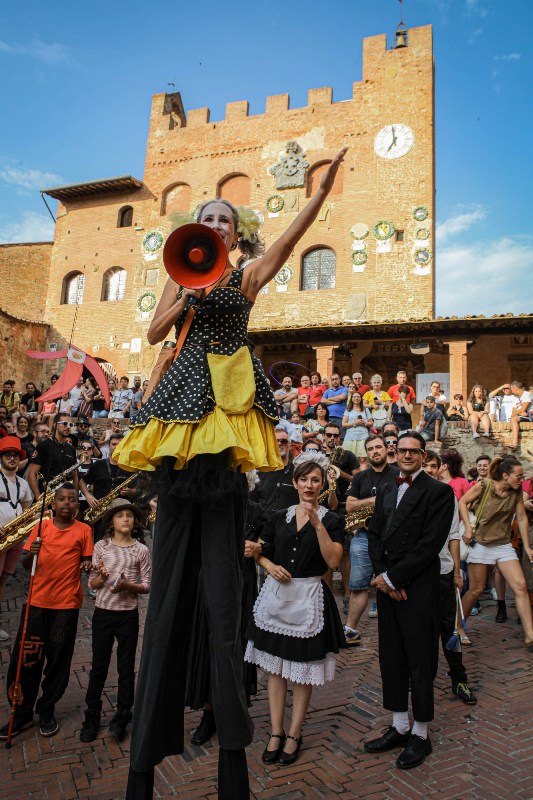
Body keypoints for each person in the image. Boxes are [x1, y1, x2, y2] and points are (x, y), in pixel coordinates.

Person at [112, 148, 347, 800]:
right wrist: (181, 296)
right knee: (167, 590)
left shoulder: (244, 274)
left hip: (228, 407)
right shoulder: (176, 272)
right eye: (206, 216)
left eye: (222, 218)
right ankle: (143, 762)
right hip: (179, 413)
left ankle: (231, 759)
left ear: (233, 232)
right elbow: (156, 329)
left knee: (223, 595)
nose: (213, 224)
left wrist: (319, 193)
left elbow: (291, 239)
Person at [245, 454, 345, 765]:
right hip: (277, 597)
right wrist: (269, 565)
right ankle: (276, 731)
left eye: (316, 480)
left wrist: (316, 522)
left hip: (310, 598)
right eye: (304, 479)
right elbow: (260, 552)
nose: (309, 485)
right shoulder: (279, 516)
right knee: (275, 669)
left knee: (301, 672)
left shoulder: (332, 520)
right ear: (296, 482)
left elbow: (333, 561)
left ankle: (294, 733)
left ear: (323, 483)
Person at [364, 431, 454, 769]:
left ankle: (420, 733)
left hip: (419, 588)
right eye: (400, 450)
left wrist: (394, 578)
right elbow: (374, 535)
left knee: (420, 658)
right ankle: (400, 726)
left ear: (422, 455)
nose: (406, 455)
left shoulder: (439, 492)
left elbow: (429, 545)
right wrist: (384, 579)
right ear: (394, 452)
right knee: (393, 656)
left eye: (413, 451)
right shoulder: (387, 488)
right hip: (390, 587)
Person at [0, 484, 93, 739]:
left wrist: (88, 565)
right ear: (52, 504)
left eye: (72, 500)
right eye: (61, 499)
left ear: (77, 505)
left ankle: (47, 708)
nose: (66, 503)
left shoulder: (84, 530)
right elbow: (28, 561)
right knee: (26, 658)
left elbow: (86, 559)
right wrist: (33, 553)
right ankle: (21, 713)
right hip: (37, 602)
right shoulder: (41, 527)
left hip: (66, 605)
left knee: (58, 660)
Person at [80, 499, 151, 743]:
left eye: (129, 515)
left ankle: (122, 715)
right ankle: (92, 715)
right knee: (98, 666)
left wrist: (127, 586)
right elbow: (92, 583)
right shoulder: (101, 546)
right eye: (120, 515)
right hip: (103, 613)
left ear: (134, 522)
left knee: (125, 669)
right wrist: (101, 578)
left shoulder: (141, 550)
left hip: (127, 615)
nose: (125, 519)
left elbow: (146, 585)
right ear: (112, 521)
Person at [458, 456, 533, 646]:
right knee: (475, 590)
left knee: (520, 586)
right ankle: (458, 626)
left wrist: (526, 546)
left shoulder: (515, 492)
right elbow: (462, 503)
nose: (521, 480)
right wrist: (467, 527)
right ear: (506, 475)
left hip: (503, 545)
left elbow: (522, 519)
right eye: (519, 476)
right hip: (481, 544)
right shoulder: (485, 486)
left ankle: (530, 634)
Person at [423, 451, 477, 705]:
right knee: (423, 634)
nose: (430, 471)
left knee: (450, 631)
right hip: (418, 575)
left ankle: (459, 679)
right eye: (426, 466)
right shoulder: (409, 495)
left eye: (434, 466)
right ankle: (423, 682)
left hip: (443, 570)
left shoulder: (447, 496)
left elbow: (454, 536)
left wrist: (457, 571)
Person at [345, 435, 399, 644]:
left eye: (379, 447)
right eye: (370, 449)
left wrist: (364, 503)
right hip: (364, 536)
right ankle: (350, 629)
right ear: (366, 454)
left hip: (392, 537)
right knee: (358, 584)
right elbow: (349, 506)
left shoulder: (398, 474)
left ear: (387, 449)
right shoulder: (360, 477)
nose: (375, 451)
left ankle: (397, 629)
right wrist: (376, 501)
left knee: (393, 582)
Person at [0, 437, 32, 640]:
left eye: (15, 455)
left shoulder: (22, 483)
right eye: (7, 454)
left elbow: (27, 507)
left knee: (3, 579)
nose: (12, 458)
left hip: (15, 538)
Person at [27, 413, 78, 498]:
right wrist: (39, 499)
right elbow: (32, 474)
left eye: (70, 424)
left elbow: (75, 476)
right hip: (46, 497)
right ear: (55, 425)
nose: (68, 427)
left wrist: (75, 499)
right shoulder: (44, 445)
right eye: (65, 423)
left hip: (66, 498)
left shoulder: (71, 449)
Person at [342, 390, 373, 465]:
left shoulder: (365, 410)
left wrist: (365, 423)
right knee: (349, 458)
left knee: (363, 459)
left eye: (358, 397)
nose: (356, 398)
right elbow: (343, 424)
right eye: (354, 397)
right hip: (350, 437)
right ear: (351, 398)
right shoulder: (348, 410)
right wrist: (354, 423)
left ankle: (362, 476)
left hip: (363, 436)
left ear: (361, 398)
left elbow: (371, 423)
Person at [509, 381, 532, 450]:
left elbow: (522, 409)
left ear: (515, 388)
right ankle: (515, 441)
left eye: (512, 390)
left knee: (513, 419)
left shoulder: (528, 395)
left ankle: (515, 442)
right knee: (513, 418)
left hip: (531, 415)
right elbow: (515, 411)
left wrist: (518, 412)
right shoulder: (520, 397)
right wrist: (518, 412)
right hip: (527, 415)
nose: (512, 392)